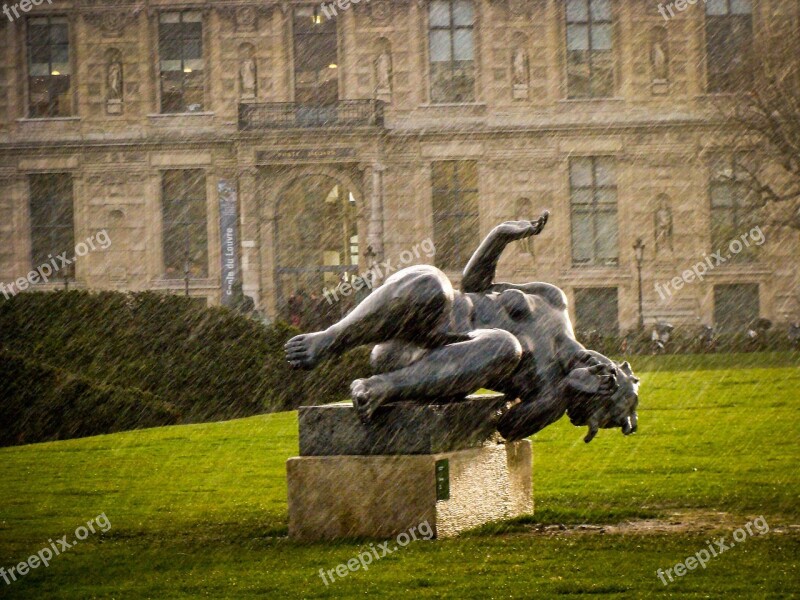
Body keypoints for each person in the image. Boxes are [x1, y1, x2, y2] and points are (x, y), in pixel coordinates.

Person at [286, 212, 639, 443]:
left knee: (505, 345)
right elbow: (474, 285)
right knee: (431, 281)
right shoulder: (554, 300)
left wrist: (562, 393)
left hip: (419, 363)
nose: (601, 369)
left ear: (586, 393)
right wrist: (499, 238)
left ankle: (382, 387)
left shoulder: (549, 390)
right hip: (423, 315)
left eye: (602, 384)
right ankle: (331, 339)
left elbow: (505, 430)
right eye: (610, 371)